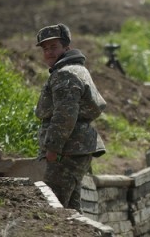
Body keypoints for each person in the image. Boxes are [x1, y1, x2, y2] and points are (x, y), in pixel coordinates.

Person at [34, 23, 106, 211]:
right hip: (76, 147)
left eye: (54, 47)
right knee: (71, 210)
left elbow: (64, 116)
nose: (49, 52)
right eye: (45, 48)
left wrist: (53, 148)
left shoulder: (65, 74)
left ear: (67, 48)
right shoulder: (75, 69)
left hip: (67, 150)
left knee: (55, 207)